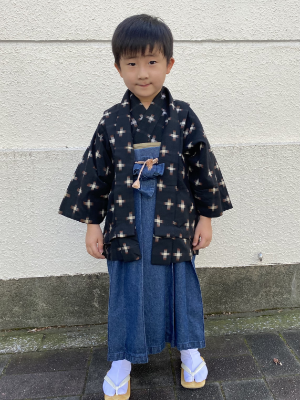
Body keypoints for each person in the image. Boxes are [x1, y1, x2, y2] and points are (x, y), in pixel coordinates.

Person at [58, 14, 233, 399]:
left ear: (169, 64)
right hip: (124, 219)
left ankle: (189, 350)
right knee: (126, 288)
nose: (142, 73)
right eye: (131, 63)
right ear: (118, 66)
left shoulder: (183, 116)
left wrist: (206, 217)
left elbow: (202, 167)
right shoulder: (112, 120)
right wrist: (92, 223)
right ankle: (122, 357)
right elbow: (95, 173)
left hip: (174, 218)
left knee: (180, 284)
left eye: (152, 62)